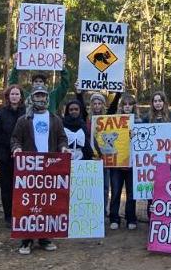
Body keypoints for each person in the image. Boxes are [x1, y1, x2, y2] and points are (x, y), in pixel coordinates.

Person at [11, 85, 69, 255]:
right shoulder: (24, 120)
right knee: (29, 203)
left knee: (47, 203)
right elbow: (15, 139)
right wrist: (16, 149)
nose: (41, 99)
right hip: (30, 168)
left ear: (47, 98)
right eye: (37, 95)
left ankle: (44, 237)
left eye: (43, 95)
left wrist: (64, 148)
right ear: (32, 98)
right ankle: (26, 239)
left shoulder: (55, 119)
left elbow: (62, 139)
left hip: (49, 168)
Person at [76, 87, 122, 217]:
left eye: (99, 103)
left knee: (104, 186)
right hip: (90, 157)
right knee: (90, 185)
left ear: (103, 104)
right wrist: (79, 94)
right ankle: (91, 211)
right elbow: (80, 105)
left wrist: (118, 92)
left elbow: (113, 106)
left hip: (104, 157)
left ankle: (102, 212)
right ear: (91, 105)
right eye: (94, 103)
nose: (97, 106)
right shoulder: (87, 118)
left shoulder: (107, 117)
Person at [0, 85, 26, 225]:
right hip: (5, 155)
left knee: (21, 187)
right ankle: (8, 215)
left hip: (23, 156)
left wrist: (19, 147)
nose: (14, 96)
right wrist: (11, 146)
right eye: (12, 94)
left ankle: (21, 214)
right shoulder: (1, 113)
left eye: (17, 94)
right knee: (6, 186)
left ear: (21, 96)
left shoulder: (26, 112)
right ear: (8, 96)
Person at [144, 91, 171, 218]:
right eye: (155, 101)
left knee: (167, 188)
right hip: (150, 160)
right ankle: (152, 217)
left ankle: (167, 217)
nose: (157, 103)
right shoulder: (146, 118)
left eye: (160, 101)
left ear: (164, 102)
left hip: (167, 159)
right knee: (152, 188)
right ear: (152, 103)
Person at [109, 94, 141, 230]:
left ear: (134, 106)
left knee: (131, 193)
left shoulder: (140, 122)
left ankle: (131, 218)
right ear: (121, 106)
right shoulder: (114, 120)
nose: (127, 106)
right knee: (115, 192)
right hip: (117, 164)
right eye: (125, 104)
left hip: (133, 164)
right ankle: (114, 218)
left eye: (130, 104)